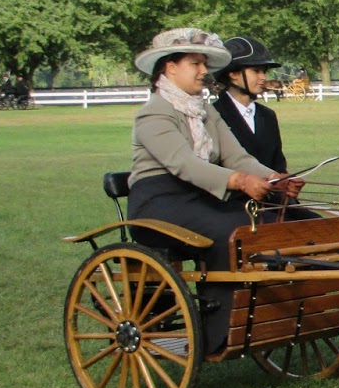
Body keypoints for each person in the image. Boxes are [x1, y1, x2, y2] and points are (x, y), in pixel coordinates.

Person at [129, 27, 303, 351]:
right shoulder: (153, 113)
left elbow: (237, 157)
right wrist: (236, 181)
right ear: (170, 67)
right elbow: (183, 163)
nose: (204, 71)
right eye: (195, 63)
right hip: (159, 203)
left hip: (199, 198)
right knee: (233, 231)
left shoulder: (206, 111)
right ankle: (217, 334)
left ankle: (264, 318)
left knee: (268, 224)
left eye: (204, 64)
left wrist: (276, 179)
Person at [213, 36, 287, 171]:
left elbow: (278, 164)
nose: (263, 77)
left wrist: (286, 183)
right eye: (256, 71)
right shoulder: (213, 115)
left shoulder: (268, 115)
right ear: (233, 74)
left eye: (264, 71)